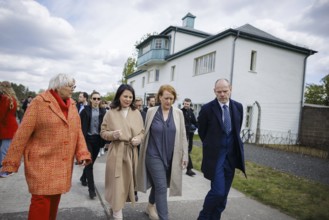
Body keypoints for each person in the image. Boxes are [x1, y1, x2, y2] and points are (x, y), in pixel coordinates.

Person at [1, 73, 92, 220]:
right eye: (70, 86)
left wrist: (82, 153)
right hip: (41, 163)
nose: (72, 90)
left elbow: (77, 131)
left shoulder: (72, 105)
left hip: (62, 164)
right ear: (58, 86)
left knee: (54, 200)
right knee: (41, 202)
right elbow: (22, 133)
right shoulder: (40, 102)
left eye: (73, 87)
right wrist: (11, 162)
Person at [137, 84, 188, 220]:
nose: (168, 101)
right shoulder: (151, 112)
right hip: (153, 155)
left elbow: (183, 135)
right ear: (159, 97)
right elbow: (144, 131)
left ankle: (150, 206)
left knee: (160, 185)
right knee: (160, 186)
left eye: (171, 99)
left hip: (171, 156)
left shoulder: (178, 113)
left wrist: (185, 156)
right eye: (166, 98)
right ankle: (164, 217)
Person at [197, 79, 246, 220]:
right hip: (216, 157)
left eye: (225, 91)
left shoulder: (238, 107)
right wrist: (211, 146)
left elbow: (236, 129)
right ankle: (203, 217)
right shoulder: (207, 109)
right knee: (218, 192)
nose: (222, 94)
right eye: (219, 92)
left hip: (231, 156)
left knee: (223, 196)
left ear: (230, 89)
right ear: (214, 91)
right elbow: (202, 132)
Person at [100, 84, 144, 220]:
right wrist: (112, 135)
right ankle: (117, 212)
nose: (128, 99)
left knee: (128, 182)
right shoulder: (110, 112)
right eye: (125, 96)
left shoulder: (136, 112)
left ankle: (116, 206)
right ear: (119, 95)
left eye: (131, 97)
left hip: (131, 152)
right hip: (116, 152)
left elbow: (142, 131)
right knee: (117, 183)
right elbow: (103, 132)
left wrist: (139, 139)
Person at [79, 91, 106, 199]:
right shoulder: (85, 111)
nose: (96, 101)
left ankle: (83, 178)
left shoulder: (103, 111)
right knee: (89, 164)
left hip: (97, 140)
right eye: (94, 98)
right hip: (87, 140)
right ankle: (91, 190)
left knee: (92, 162)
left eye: (98, 99)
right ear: (90, 99)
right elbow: (79, 126)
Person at [0, 81, 19, 177]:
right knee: (6, 150)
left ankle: (3, 171)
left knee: (3, 150)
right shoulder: (12, 99)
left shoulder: (5, 99)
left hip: (6, 127)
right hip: (12, 126)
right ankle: (6, 170)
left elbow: (1, 114)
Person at [181, 98, 198, 176]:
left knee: (187, 150)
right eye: (185, 104)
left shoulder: (191, 112)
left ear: (190, 104)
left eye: (187, 104)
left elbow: (195, 122)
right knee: (185, 151)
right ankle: (189, 169)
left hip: (189, 134)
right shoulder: (180, 112)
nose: (186, 105)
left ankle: (188, 169)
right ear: (183, 104)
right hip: (181, 134)